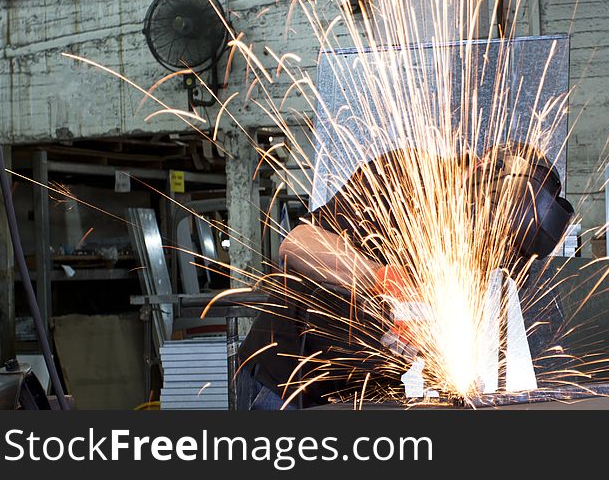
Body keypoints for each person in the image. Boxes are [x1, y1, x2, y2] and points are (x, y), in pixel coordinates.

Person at [236, 143, 574, 409]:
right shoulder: (403, 176)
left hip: (363, 395)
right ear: (478, 173)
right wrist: (380, 278)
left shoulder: (505, 245)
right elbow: (297, 245)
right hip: (286, 383)